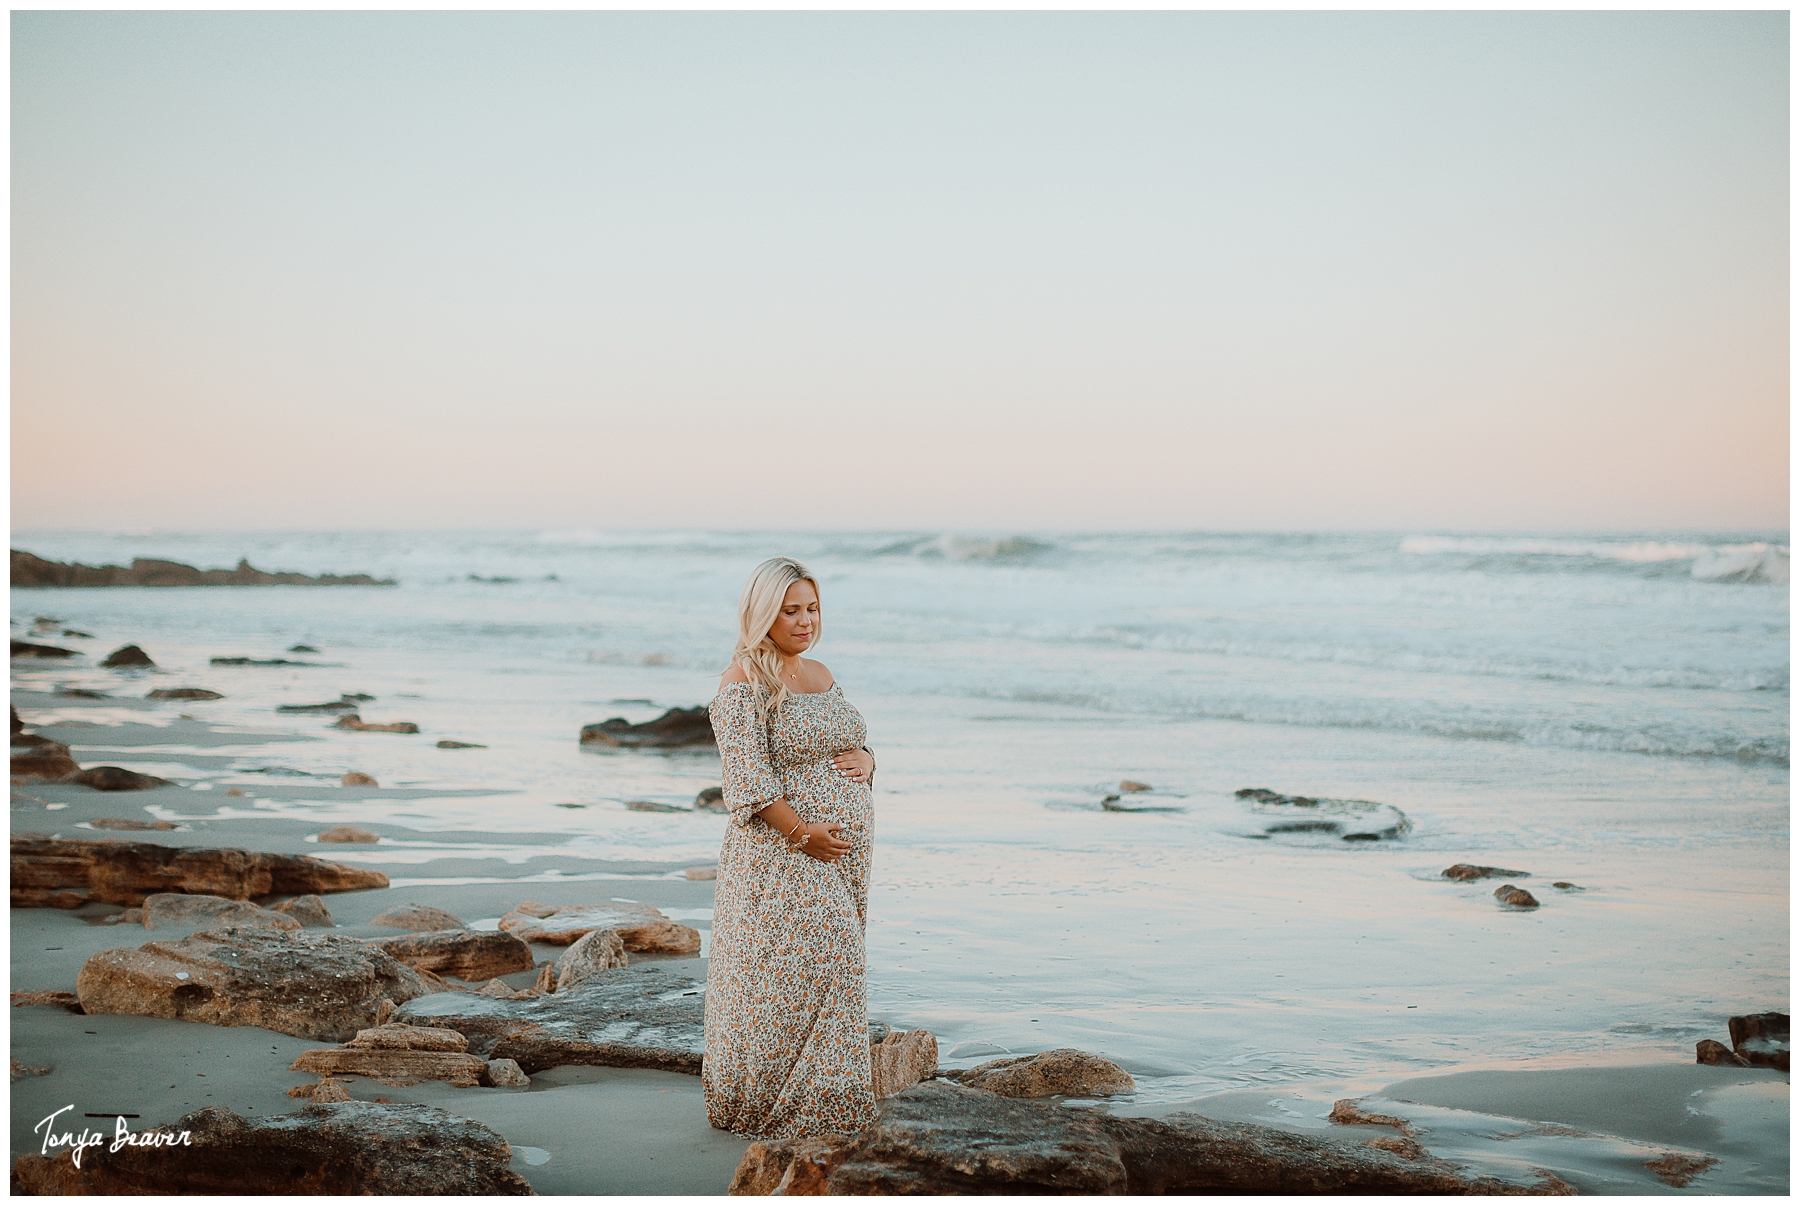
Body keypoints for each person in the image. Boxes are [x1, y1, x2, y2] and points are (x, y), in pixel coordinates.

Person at [703, 556, 879, 1138]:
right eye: (791, 609)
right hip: (780, 856)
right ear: (763, 613)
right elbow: (747, 781)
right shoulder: (741, 684)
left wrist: (871, 761)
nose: (805, 621)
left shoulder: (823, 673)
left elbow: (853, 738)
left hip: (841, 852)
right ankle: (772, 1104)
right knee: (801, 968)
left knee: (826, 968)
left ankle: (827, 1100)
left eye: (812, 608)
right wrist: (804, 833)